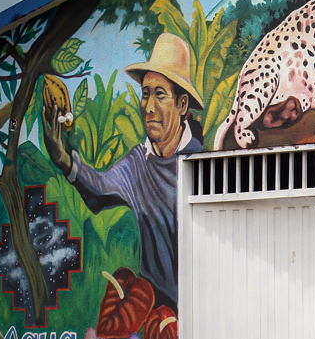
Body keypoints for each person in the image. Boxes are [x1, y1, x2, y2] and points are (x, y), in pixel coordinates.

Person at [42, 32, 202, 310]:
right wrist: (65, 160)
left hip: (205, 304)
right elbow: (100, 188)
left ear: (182, 105)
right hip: (157, 310)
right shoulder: (138, 164)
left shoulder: (201, 163)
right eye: (145, 94)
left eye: (160, 95)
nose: (149, 107)